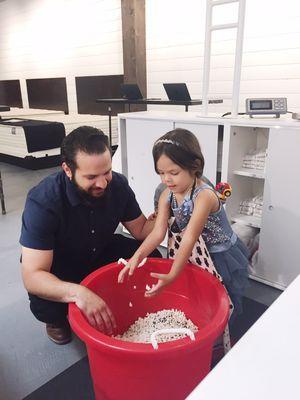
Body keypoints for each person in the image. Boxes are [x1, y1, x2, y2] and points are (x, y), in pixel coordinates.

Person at [20, 126, 161, 345]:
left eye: (107, 172)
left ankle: (121, 299)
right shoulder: (43, 201)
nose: (102, 183)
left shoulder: (118, 185)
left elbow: (141, 230)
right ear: (68, 170)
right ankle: (56, 320)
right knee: (46, 304)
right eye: (91, 177)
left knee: (151, 257)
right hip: (61, 264)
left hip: (99, 248)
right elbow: (32, 275)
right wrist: (78, 293)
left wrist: (169, 212)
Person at [118, 128, 249, 321]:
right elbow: (157, 233)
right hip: (196, 252)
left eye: (173, 172)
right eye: (161, 173)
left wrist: (172, 274)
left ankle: (226, 330)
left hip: (219, 253)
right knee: (199, 293)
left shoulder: (203, 195)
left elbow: (189, 237)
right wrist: (136, 257)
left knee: (224, 296)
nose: (166, 179)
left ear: (194, 166)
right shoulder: (167, 194)